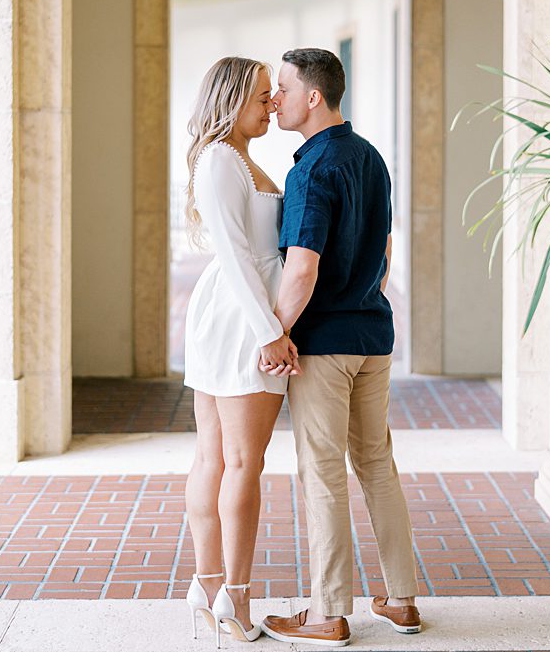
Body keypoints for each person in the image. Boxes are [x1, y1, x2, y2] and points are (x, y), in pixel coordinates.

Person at [257, 48, 423, 647]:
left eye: (282, 87)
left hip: (323, 346)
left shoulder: (310, 172)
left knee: (322, 473)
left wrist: (275, 332)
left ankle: (328, 612)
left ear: (313, 98)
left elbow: (300, 270)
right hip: (374, 338)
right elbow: (381, 256)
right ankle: (401, 599)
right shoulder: (371, 158)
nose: (274, 98)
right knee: (377, 464)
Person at [180, 56, 300, 644]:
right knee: (237, 461)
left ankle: (208, 588)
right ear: (230, 99)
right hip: (240, 319)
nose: (272, 104)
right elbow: (233, 253)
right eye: (261, 95)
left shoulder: (240, 158)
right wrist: (269, 331)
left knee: (218, 459)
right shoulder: (222, 160)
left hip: (233, 314)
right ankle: (237, 598)